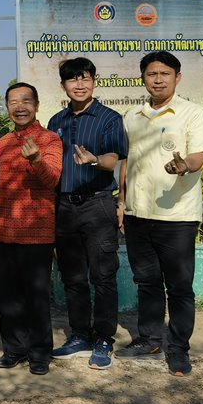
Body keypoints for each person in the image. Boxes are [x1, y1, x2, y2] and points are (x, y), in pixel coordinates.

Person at [118, 51, 203, 377]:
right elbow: (126, 162)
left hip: (177, 216)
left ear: (178, 77)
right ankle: (149, 341)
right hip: (138, 213)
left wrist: (184, 165)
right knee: (146, 282)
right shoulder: (132, 116)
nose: (158, 80)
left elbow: (199, 155)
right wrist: (122, 202)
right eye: (151, 74)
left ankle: (178, 350)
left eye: (164, 74)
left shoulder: (193, 113)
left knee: (179, 286)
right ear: (143, 78)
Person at [47, 57, 128, 370]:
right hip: (64, 206)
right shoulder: (56, 121)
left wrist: (94, 159)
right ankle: (80, 335)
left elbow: (113, 160)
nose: (79, 85)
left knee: (103, 276)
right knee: (73, 277)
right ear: (63, 85)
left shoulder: (109, 118)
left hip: (97, 204)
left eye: (85, 78)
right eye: (72, 79)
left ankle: (104, 339)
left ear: (94, 81)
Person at [0, 83, 63, 375]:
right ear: (7, 107)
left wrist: (35, 159)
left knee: (36, 296)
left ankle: (39, 352)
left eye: (25, 101)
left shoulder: (50, 139)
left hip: (37, 231)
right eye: (13, 102)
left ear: (36, 105)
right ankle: (14, 349)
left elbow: (52, 179)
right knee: (7, 296)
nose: (19, 107)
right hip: (5, 230)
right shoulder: (2, 142)